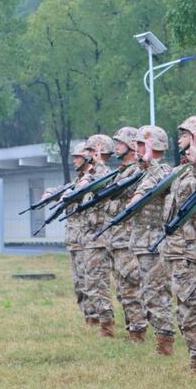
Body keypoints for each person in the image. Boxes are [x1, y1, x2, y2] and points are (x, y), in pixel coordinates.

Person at [161, 116, 196, 372]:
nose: (180, 138)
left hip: (192, 251)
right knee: (183, 308)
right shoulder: (182, 170)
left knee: (194, 305)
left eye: (185, 134)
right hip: (176, 251)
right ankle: (194, 356)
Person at [125, 125, 176, 354]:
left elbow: (139, 197)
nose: (134, 149)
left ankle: (165, 343)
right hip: (142, 242)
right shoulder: (143, 171)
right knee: (147, 292)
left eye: (139, 144)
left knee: (157, 293)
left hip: (155, 243)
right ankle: (158, 338)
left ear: (150, 146)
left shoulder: (163, 171)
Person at [104, 127, 149, 340]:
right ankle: (132, 328)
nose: (116, 147)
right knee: (122, 288)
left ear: (131, 146)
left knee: (131, 285)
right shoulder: (122, 171)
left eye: (120, 143)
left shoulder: (136, 171)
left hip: (127, 238)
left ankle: (139, 329)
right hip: (116, 239)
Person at [78, 134, 117, 337]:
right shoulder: (91, 174)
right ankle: (102, 321)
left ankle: (107, 325)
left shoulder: (106, 174)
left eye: (89, 151)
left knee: (99, 284)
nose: (85, 155)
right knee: (91, 283)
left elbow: (104, 186)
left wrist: (99, 165)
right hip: (90, 238)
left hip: (100, 240)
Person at [56, 143, 93, 323]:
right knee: (79, 284)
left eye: (77, 157)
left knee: (89, 283)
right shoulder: (77, 180)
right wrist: (50, 193)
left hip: (87, 240)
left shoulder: (93, 178)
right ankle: (88, 318)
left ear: (87, 158)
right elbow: (63, 190)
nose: (74, 160)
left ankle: (96, 319)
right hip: (74, 240)